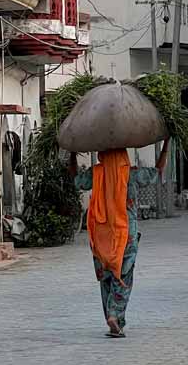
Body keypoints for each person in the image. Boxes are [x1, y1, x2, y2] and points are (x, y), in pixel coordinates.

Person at [71, 139, 170, 338]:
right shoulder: (131, 174)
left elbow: (76, 180)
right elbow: (158, 170)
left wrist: (72, 153)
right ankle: (115, 315)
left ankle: (111, 318)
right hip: (126, 234)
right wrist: (166, 143)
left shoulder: (97, 173)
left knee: (106, 275)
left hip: (101, 234)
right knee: (123, 275)